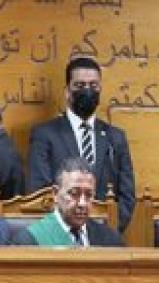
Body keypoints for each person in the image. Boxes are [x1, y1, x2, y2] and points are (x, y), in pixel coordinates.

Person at [28, 56, 134, 232]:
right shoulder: (44, 135)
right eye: (80, 85)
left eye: (93, 85)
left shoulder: (115, 138)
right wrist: (68, 231)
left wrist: (106, 232)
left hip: (105, 238)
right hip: (60, 236)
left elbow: (127, 196)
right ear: (67, 91)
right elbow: (40, 193)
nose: (87, 90)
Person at [12, 157, 124, 247]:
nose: (82, 203)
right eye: (74, 193)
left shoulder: (111, 241)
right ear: (55, 194)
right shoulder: (28, 241)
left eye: (89, 195)